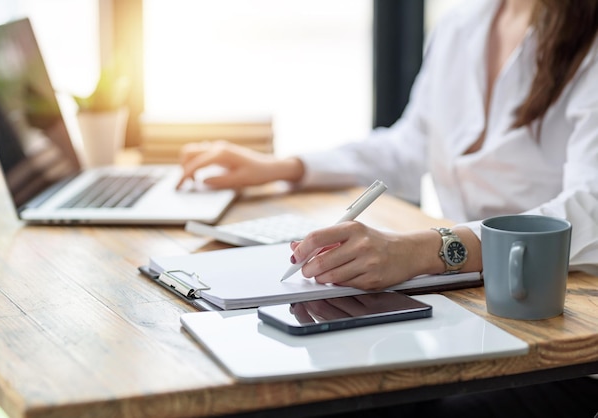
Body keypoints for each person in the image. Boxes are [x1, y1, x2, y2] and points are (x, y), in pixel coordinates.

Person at [178, 0, 598, 415]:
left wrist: (419, 251)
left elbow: (589, 206)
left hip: (562, 335)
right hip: (471, 313)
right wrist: (285, 167)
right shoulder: (463, 24)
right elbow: (409, 147)